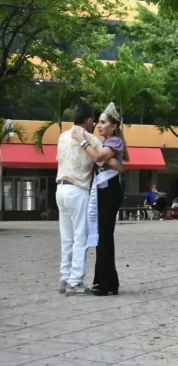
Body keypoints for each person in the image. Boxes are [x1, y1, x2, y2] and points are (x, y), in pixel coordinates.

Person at [56, 102, 123, 296]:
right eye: (96, 121)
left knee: (67, 238)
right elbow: (105, 160)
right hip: (78, 191)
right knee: (80, 238)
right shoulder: (91, 138)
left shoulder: (62, 137)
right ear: (88, 121)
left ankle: (64, 277)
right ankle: (75, 282)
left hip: (60, 188)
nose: (97, 125)